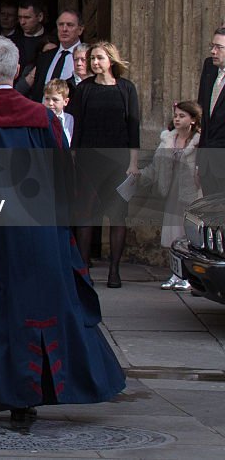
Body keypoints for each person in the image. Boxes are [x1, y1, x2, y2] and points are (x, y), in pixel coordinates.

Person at [0, 36, 125, 421]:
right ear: (18, 70)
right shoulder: (44, 119)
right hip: (36, 236)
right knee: (34, 310)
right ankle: (28, 398)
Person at [68, 41, 141, 287]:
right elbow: (77, 125)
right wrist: (74, 156)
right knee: (86, 214)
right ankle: (83, 269)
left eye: (99, 58)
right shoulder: (85, 89)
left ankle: (114, 271)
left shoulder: (126, 88)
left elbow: (133, 128)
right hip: (89, 159)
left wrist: (133, 163)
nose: (94, 63)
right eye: (92, 59)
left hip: (118, 160)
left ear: (111, 60)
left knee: (118, 215)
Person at [139, 101, 201, 290]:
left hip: (193, 191)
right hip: (173, 190)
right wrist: (139, 176)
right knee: (173, 233)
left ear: (192, 120)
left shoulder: (199, 140)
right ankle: (176, 273)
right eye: (175, 115)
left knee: (190, 234)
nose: (177, 119)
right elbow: (156, 165)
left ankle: (190, 276)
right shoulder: (168, 139)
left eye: (182, 116)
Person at [30, 10, 85, 101]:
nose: (64, 29)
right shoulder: (45, 57)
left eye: (70, 25)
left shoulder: (88, 57)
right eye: (61, 24)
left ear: (80, 30)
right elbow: (37, 91)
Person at [197, 28, 225, 197]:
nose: (213, 51)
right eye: (212, 46)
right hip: (207, 163)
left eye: (219, 47)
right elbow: (203, 116)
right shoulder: (209, 67)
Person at [43, 79, 74, 144]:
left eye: (55, 99)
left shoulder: (70, 120)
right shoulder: (39, 119)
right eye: (47, 99)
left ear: (65, 101)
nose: (50, 103)